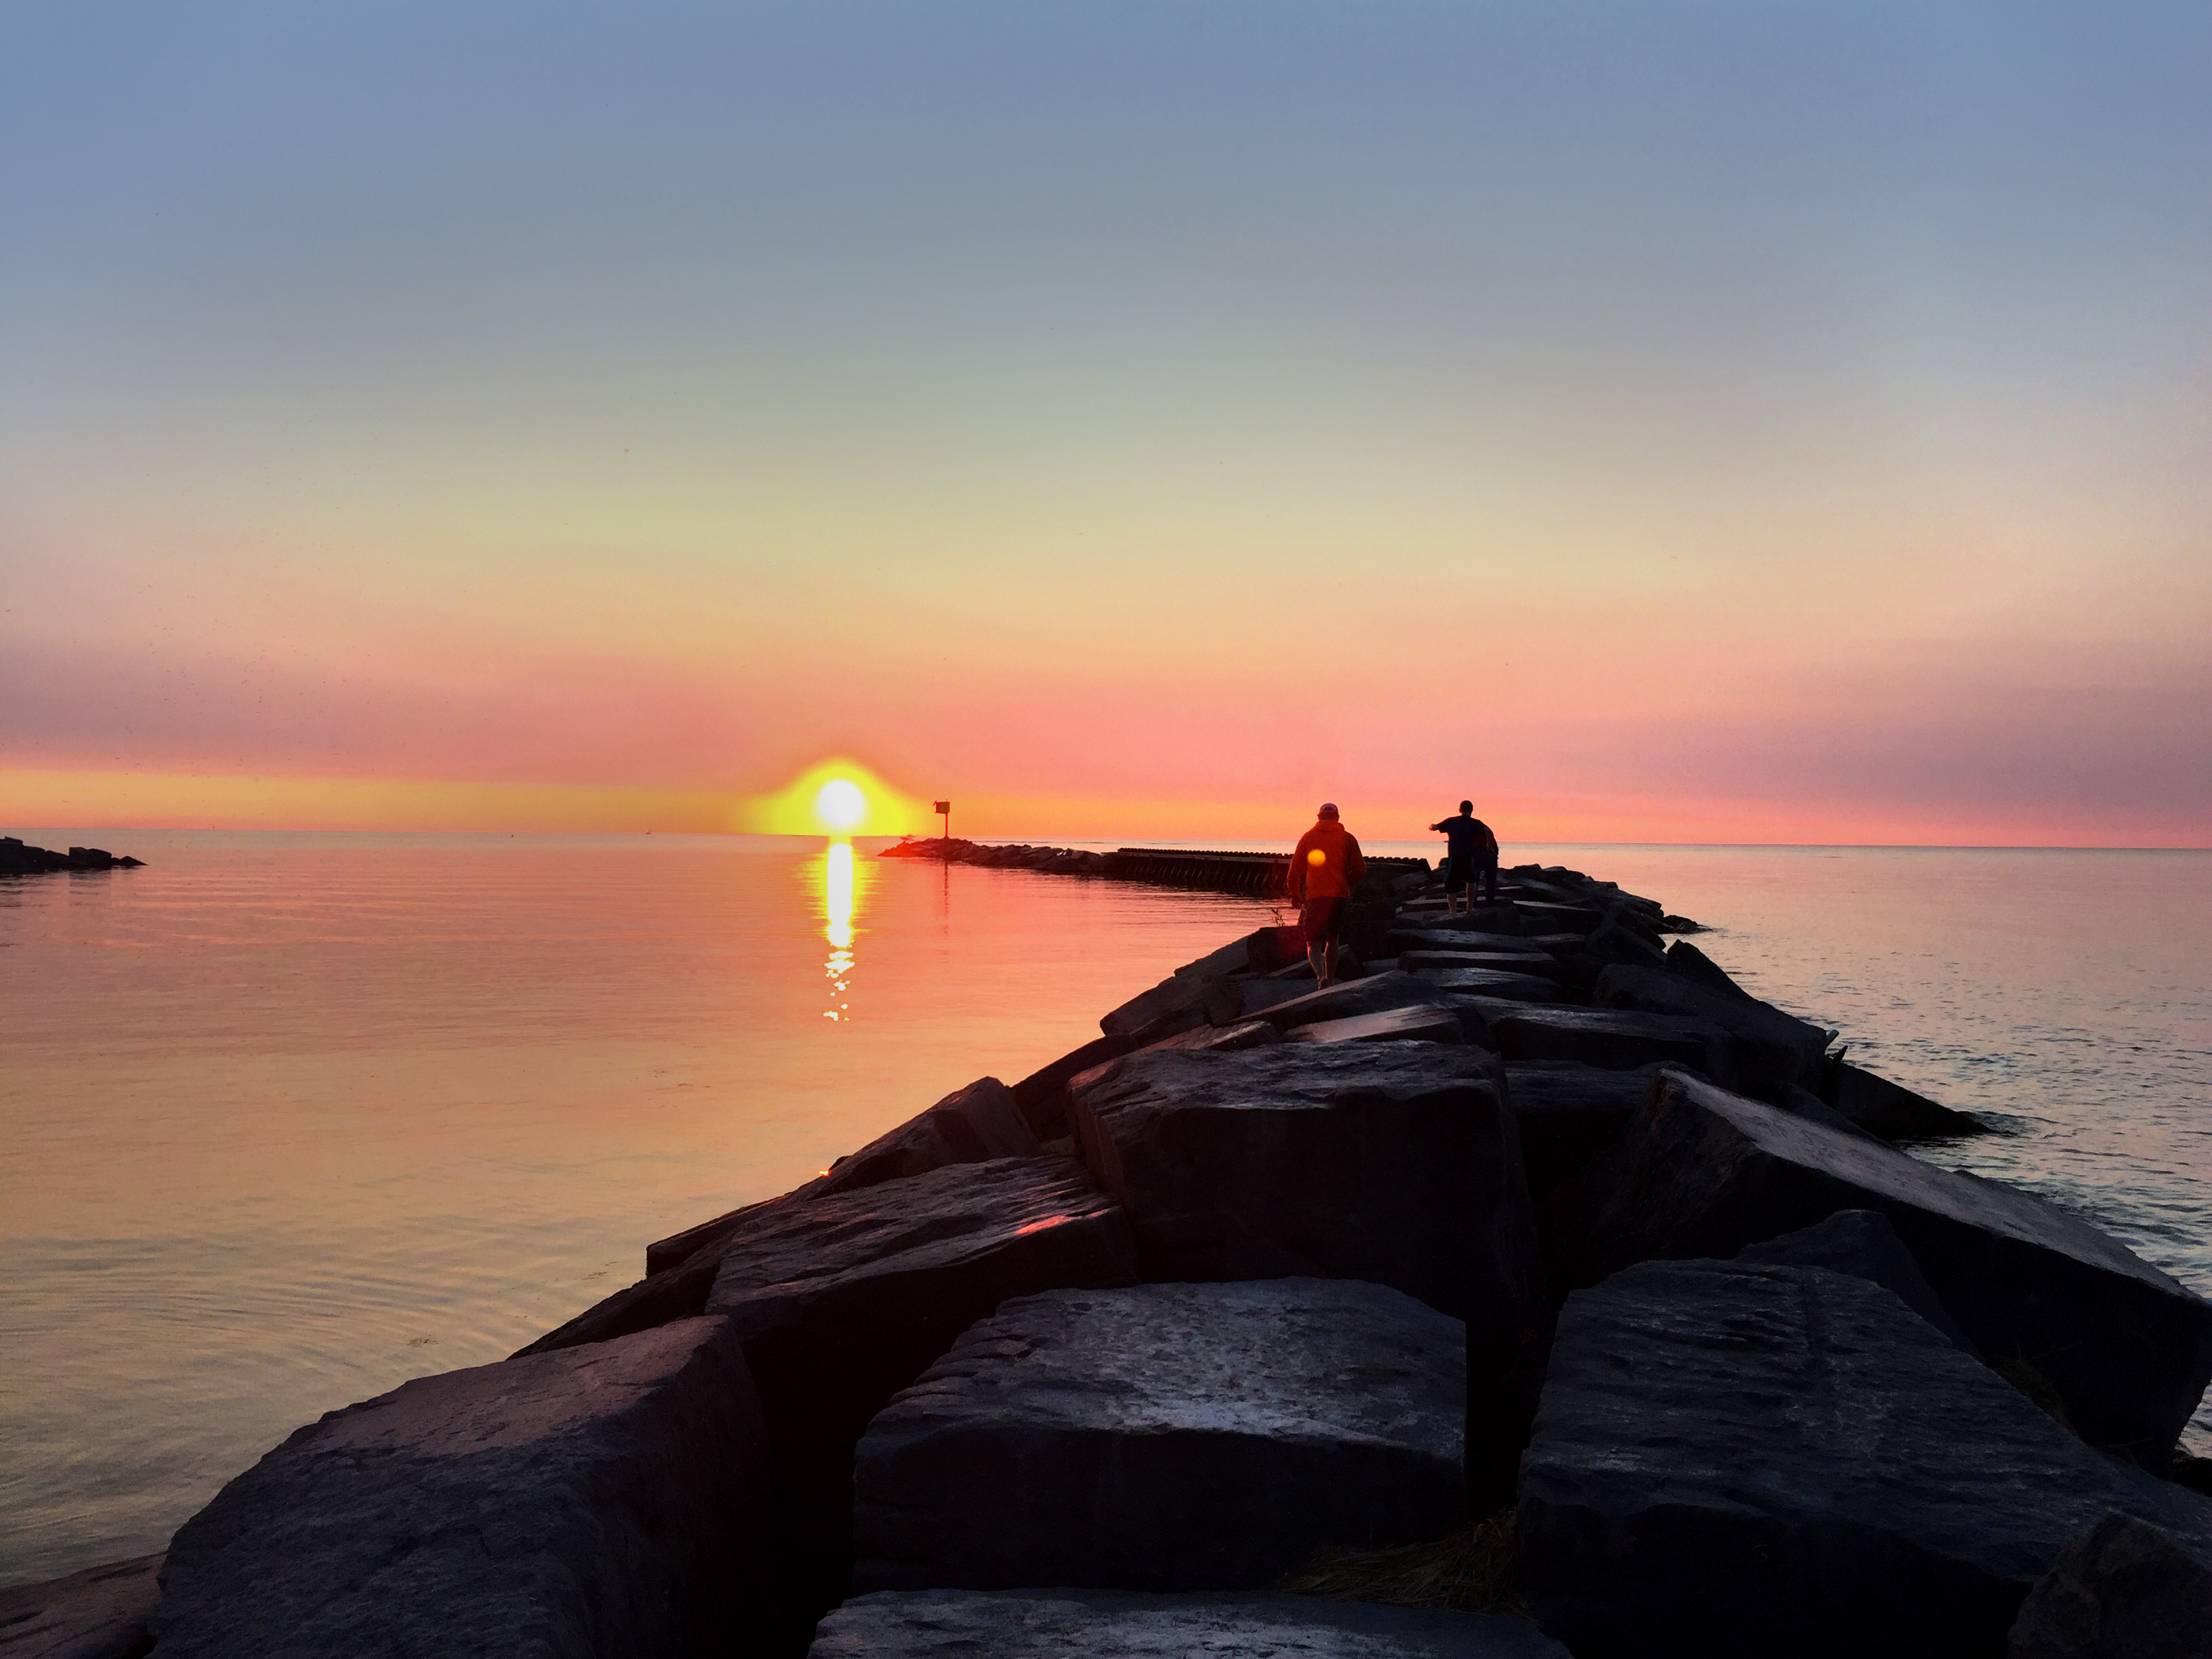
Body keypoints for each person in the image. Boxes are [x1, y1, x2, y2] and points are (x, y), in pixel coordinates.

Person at [1288, 802, 1366, 988]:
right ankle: (1329, 979)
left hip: (1315, 896)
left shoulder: (1308, 837)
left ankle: (1320, 976)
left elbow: (1295, 870)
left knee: (1312, 941)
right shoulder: (1348, 838)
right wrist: (1347, 883)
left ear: (1319, 817)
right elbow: (1361, 869)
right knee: (1333, 938)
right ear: (1337, 818)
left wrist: (1295, 893)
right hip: (1339, 895)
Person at [1429, 800, 1498, 913]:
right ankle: (1470, 907)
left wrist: (1431, 826)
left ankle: (1453, 913)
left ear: (1460, 810)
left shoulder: (1451, 821)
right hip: (1469, 856)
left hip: (1455, 856)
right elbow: (1489, 831)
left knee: (1451, 884)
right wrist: (1489, 847)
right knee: (1471, 881)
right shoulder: (1476, 823)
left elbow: (1435, 827)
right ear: (1471, 810)